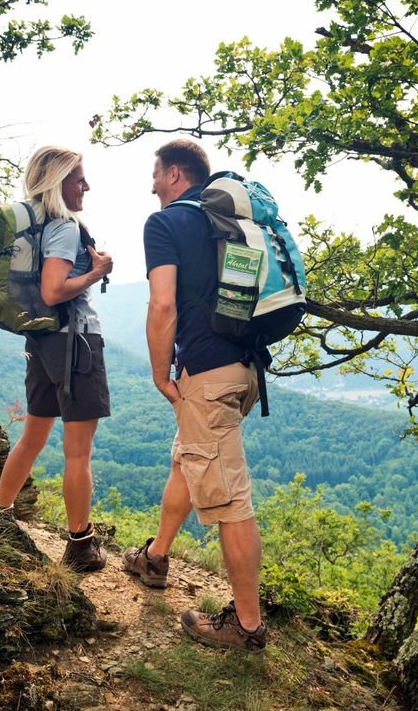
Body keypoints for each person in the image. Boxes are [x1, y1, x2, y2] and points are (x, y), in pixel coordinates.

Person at [122, 139, 268, 651]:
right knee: (188, 460)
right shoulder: (227, 223)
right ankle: (156, 557)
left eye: (157, 173)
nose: (153, 183)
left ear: (177, 174)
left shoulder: (165, 223)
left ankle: (247, 628)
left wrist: (161, 374)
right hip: (245, 370)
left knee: (227, 498)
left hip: (205, 374)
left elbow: (162, 306)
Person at [0, 145, 113, 572]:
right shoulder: (63, 226)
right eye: (79, 178)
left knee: (33, 436)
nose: (86, 185)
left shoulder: (43, 226)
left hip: (43, 340)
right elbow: (52, 290)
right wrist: (97, 273)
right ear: (59, 181)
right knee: (77, 452)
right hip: (74, 345)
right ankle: (80, 545)